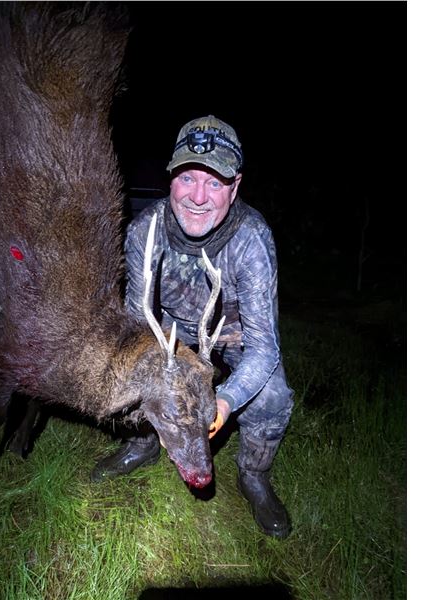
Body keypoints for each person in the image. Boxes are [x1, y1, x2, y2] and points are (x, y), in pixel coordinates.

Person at [91, 115, 294, 539]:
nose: (198, 197)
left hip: (231, 334)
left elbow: (264, 348)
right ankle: (143, 444)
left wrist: (226, 400)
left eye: (214, 183)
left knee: (272, 395)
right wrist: (161, 379)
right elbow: (135, 324)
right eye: (187, 178)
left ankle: (254, 476)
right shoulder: (145, 231)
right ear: (171, 179)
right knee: (134, 374)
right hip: (168, 334)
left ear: (235, 187)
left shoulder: (251, 240)